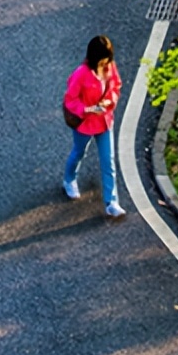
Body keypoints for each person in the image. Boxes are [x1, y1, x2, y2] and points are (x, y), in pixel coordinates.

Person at [62, 34, 126, 218]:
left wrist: (109, 102)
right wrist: (88, 109)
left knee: (108, 161)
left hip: (104, 121)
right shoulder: (81, 74)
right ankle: (69, 179)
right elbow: (70, 100)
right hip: (85, 123)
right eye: (103, 59)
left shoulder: (110, 67)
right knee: (79, 152)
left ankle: (111, 202)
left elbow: (116, 86)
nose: (106, 63)